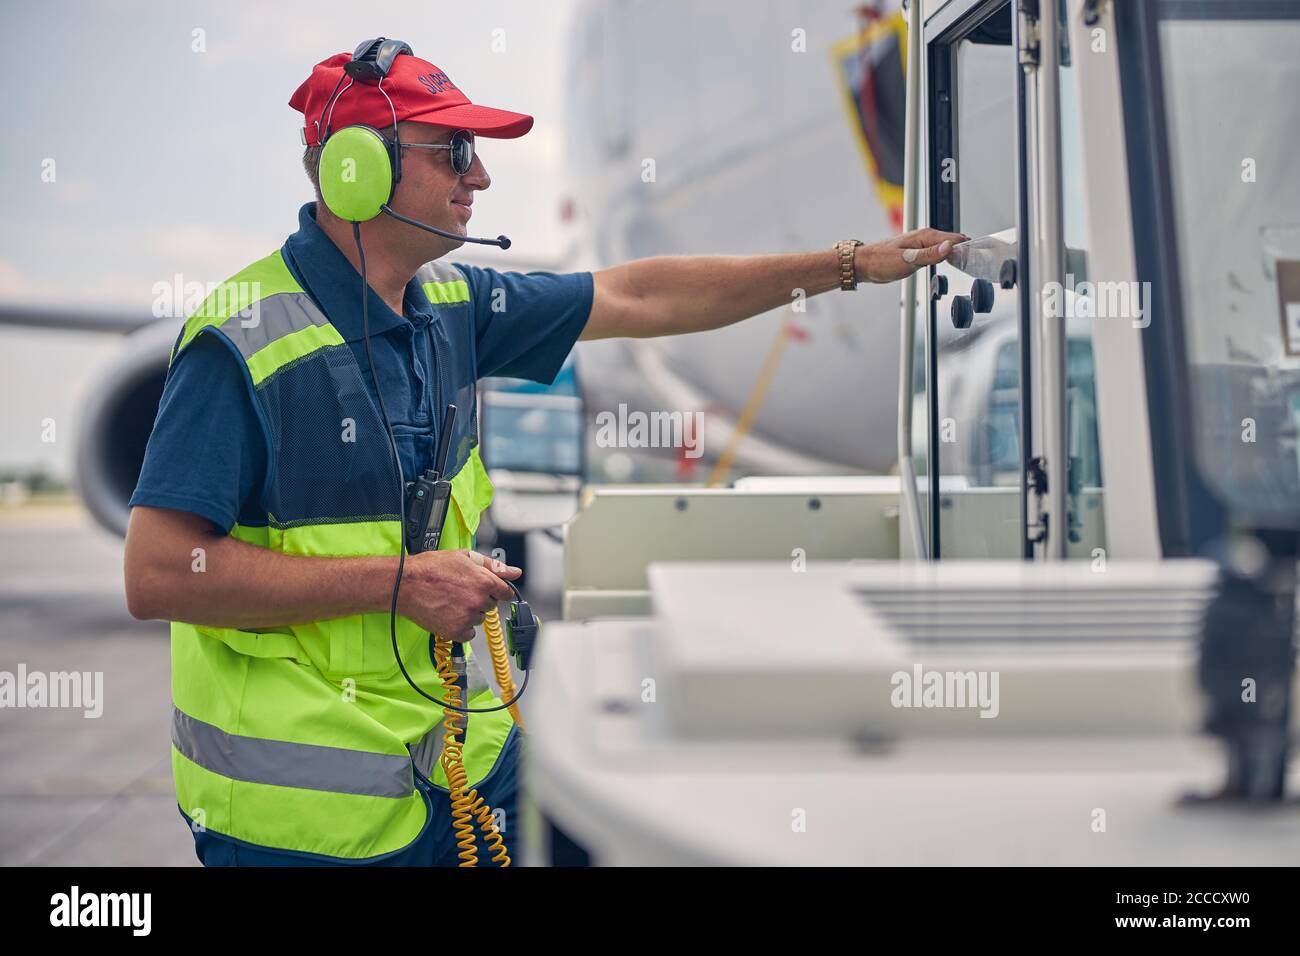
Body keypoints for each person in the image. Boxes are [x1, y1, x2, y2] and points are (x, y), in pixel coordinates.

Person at [123, 38, 964, 866]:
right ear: (357, 169)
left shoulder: (453, 300)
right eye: (455, 152)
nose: (479, 177)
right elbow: (158, 573)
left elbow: (638, 294)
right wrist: (397, 588)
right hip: (309, 814)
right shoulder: (241, 341)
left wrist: (848, 265)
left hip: (456, 756)